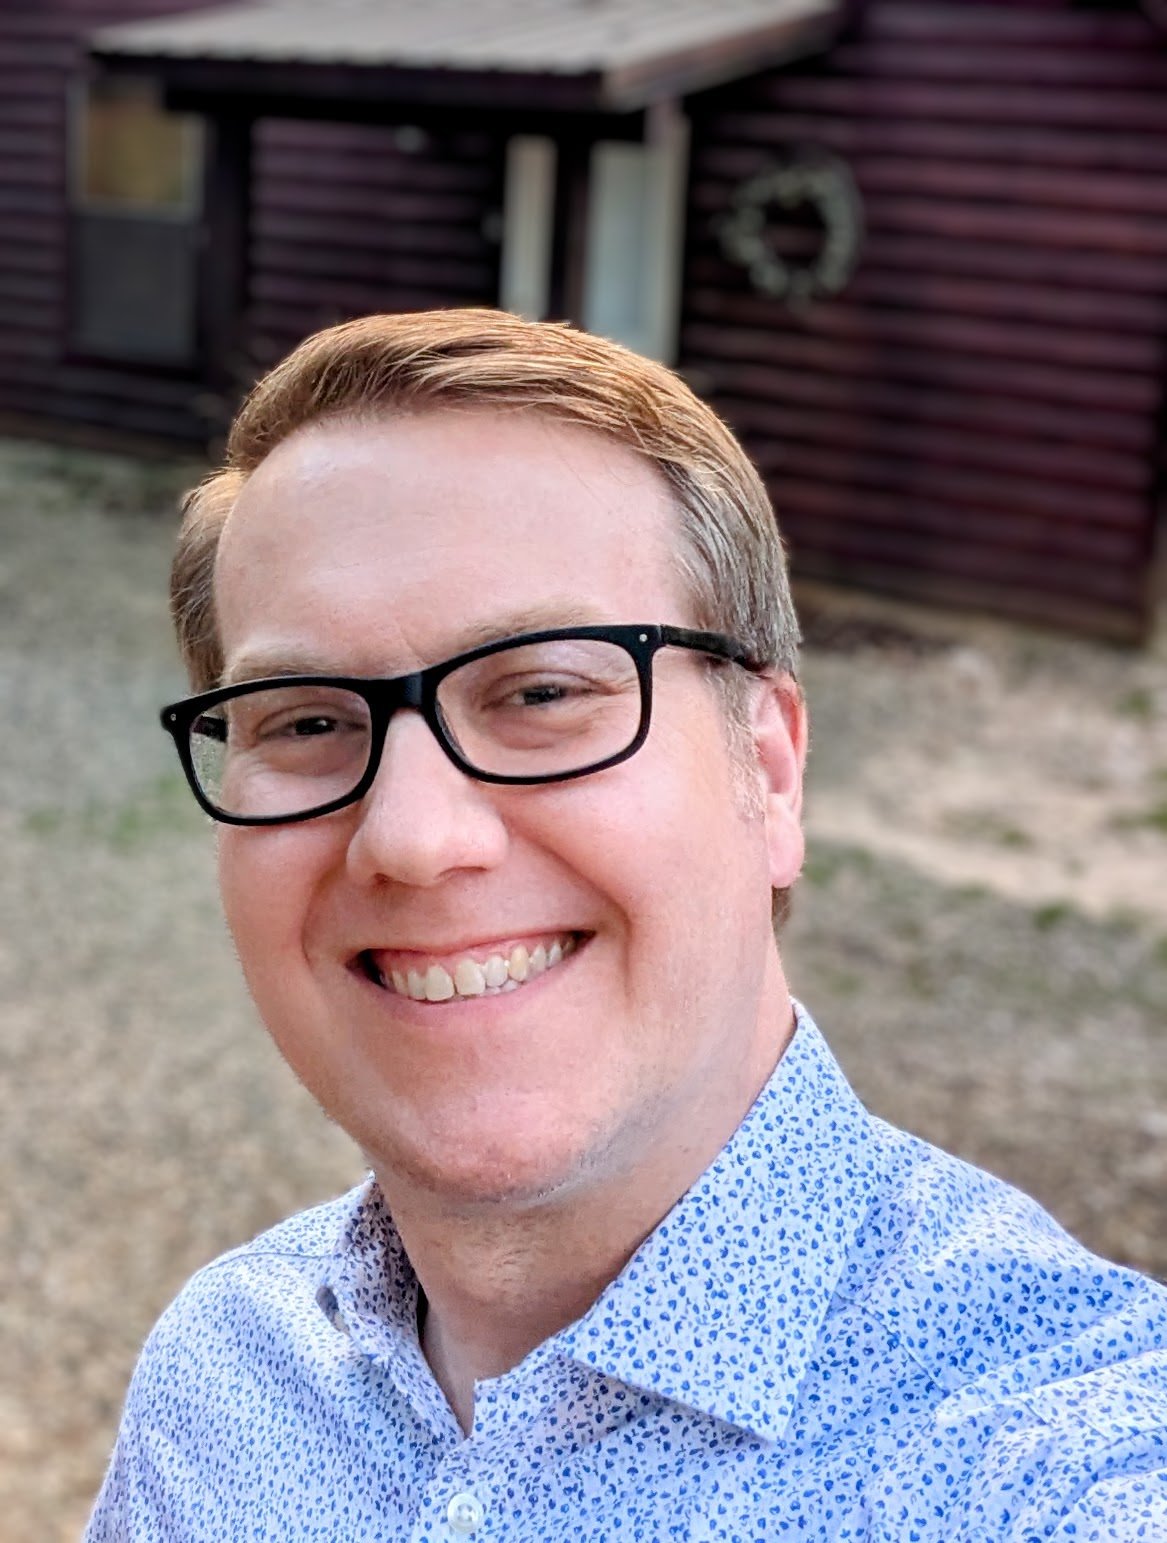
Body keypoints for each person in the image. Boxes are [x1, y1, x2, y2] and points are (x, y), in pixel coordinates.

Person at [86, 310, 1166, 1542]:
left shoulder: (1065, 1467)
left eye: (543, 690)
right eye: (306, 721)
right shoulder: (221, 1379)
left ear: (770, 770)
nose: (414, 838)